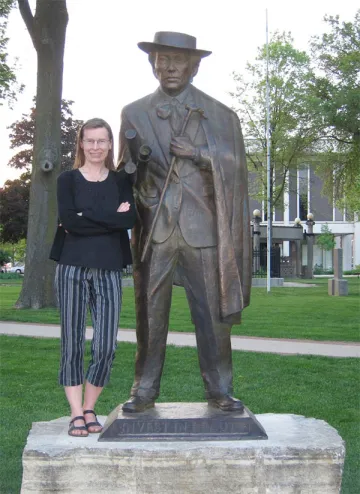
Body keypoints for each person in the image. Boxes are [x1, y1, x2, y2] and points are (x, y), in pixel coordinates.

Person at [118, 32, 251, 413]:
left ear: (194, 66)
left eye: (177, 60)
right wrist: (134, 170)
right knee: (149, 313)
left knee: (212, 318)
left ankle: (220, 390)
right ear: (152, 63)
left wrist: (199, 154)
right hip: (155, 228)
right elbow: (124, 169)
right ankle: (143, 389)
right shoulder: (134, 111)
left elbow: (236, 168)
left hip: (202, 228)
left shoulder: (221, 114)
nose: (169, 67)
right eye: (162, 59)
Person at [53, 117, 136, 436]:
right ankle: (76, 413)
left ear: (110, 144)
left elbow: (129, 218)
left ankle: (91, 408)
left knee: (105, 346)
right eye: (90, 141)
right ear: (81, 144)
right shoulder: (67, 180)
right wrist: (110, 219)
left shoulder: (120, 182)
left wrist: (88, 217)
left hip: (110, 268)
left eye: (102, 141)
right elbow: (69, 222)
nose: (96, 147)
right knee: (71, 342)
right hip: (71, 267)